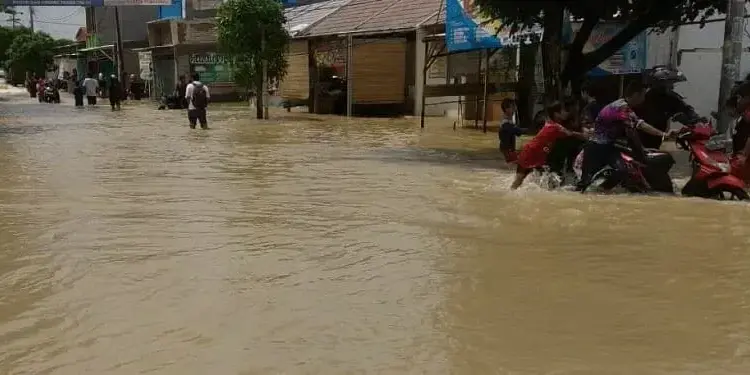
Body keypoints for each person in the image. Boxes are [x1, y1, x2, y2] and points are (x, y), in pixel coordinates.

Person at [576, 81, 676, 192]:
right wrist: (641, 150)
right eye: (643, 95)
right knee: (584, 183)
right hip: (595, 148)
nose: (644, 99)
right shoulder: (620, 107)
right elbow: (632, 132)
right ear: (636, 95)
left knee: (622, 170)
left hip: (609, 147)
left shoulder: (625, 107)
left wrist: (664, 134)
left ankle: (601, 191)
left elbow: (640, 124)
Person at [510, 101, 588, 190]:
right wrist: (586, 136)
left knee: (520, 183)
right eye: (563, 111)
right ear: (556, 114)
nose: (566, 113)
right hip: (531, 154)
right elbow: (570, 133)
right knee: (519, 182)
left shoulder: (550, 123)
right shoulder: (556, 127)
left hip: (534, 154)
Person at [634, 66, 698, 149]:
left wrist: (695, 118)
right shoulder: (645, 97)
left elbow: (685, 108)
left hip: (659, 134)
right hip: (642, 133)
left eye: (672, 82)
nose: (671, 85)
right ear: (659, 84)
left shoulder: (671, 97)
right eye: (668, 82)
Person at [498, 98, 524, 163]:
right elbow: (517, 132)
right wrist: (527, 130)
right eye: (513, 107)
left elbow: (517, 132)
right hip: (507, 149)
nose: (515, 110)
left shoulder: (509, 121)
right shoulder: (505, 122)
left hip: (508, 149)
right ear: (507, 109)